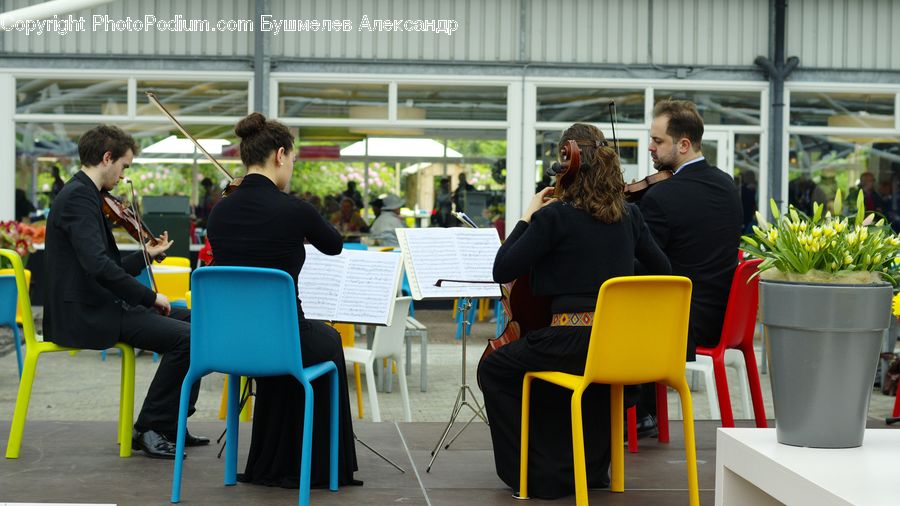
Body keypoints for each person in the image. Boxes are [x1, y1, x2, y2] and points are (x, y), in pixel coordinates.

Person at [477, 123, 671, 500]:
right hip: (615, 344)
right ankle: (591, 469)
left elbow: (503, 269)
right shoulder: (630, 216)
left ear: (568, 163)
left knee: (496, 367)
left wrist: (528, 214)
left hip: (568, 338)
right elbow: (663, 271)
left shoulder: (555, 217)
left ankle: (532, 472)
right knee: (580, 376)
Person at [206, 112, 359, 489]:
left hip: (231, 342)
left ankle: (270, 463)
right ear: (279, 155)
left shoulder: (220, 211)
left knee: (297, 341)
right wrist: (300, 219)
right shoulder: (294, 210)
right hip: (283, 338)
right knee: (327, 340)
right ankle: (324, 468)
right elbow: (335, 245)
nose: (291, 166)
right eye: (291, 159)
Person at [42, 124, 204, 459]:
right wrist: (148, 297)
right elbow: (98, 267)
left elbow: (103, 266)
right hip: (86, 313)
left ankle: (171, 422)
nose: (123, 175)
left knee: (203, 324)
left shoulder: (87, 195)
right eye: (124, 166)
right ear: (107, 158)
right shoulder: (77, 198)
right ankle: (150, 427)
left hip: (101, 302)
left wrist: (147, 256)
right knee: (187, 339)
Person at [635, 99, 743, 435]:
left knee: (609, 308)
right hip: (720, 318)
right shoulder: (727, 186)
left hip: (684, 327)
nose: (650, 147)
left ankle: (635, 414)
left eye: (658, 141)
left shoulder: (661, 198)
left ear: (683, 144)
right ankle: (644, 413)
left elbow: (641, 267)